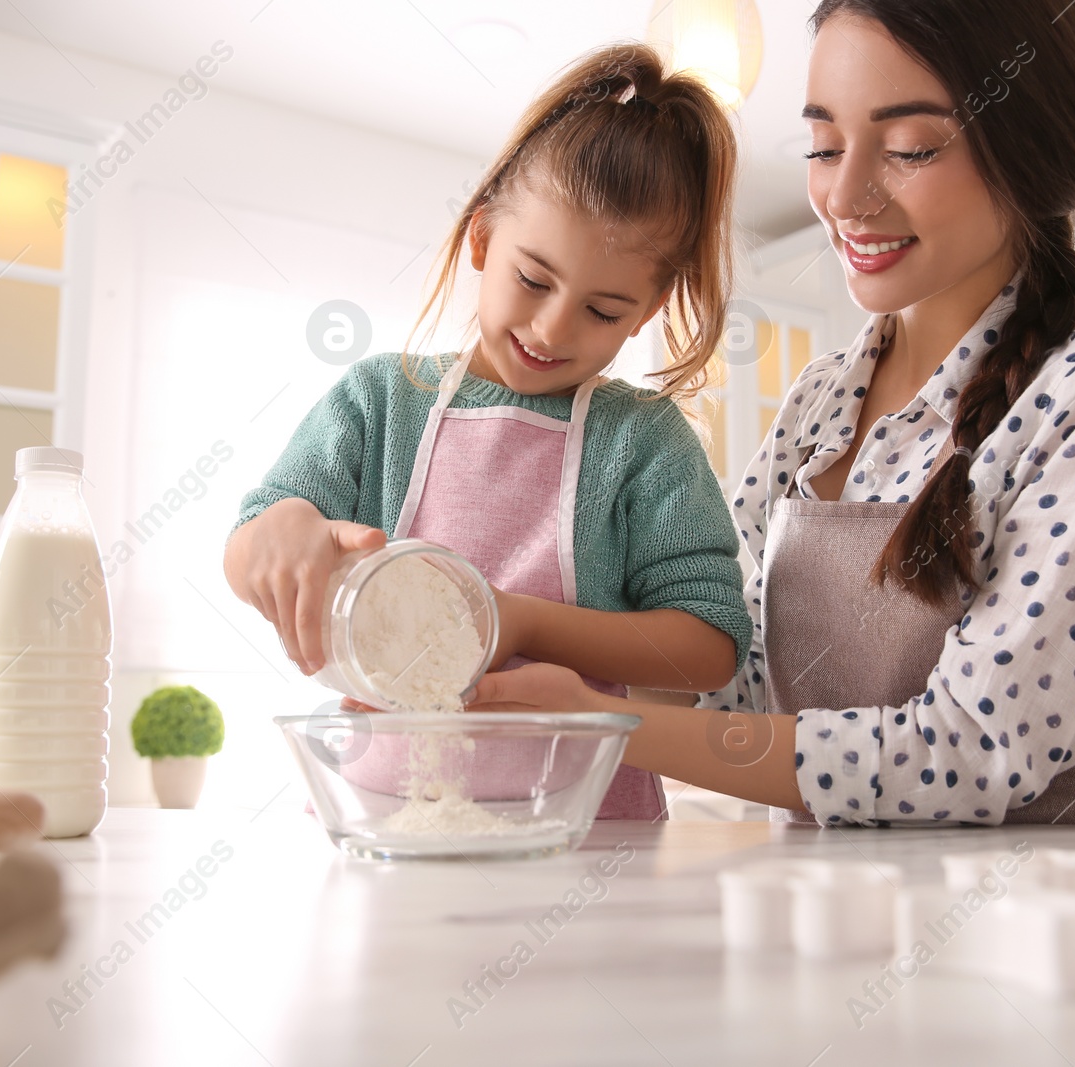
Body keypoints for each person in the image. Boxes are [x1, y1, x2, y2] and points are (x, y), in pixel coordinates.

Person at [469, 0, 1075, 827]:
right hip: (822, 926)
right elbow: (727, 680)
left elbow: (970, 751)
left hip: (1046, 933)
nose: (843, 196)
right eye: (824, 145)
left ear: (1031, 149)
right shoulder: (817, 403)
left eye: (910, 149)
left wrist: (606, 723)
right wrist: (489, 625)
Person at [224, 44, 753, 819]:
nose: (550, 326)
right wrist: (280, 529)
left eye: (604, 311)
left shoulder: (644, 442)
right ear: (480, 240)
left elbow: (708, 644)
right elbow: (252, 545)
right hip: (387, 823)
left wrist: (523, 620)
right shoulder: (380, 401)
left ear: (646, 312)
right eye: (533, 279)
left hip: (592, 837)